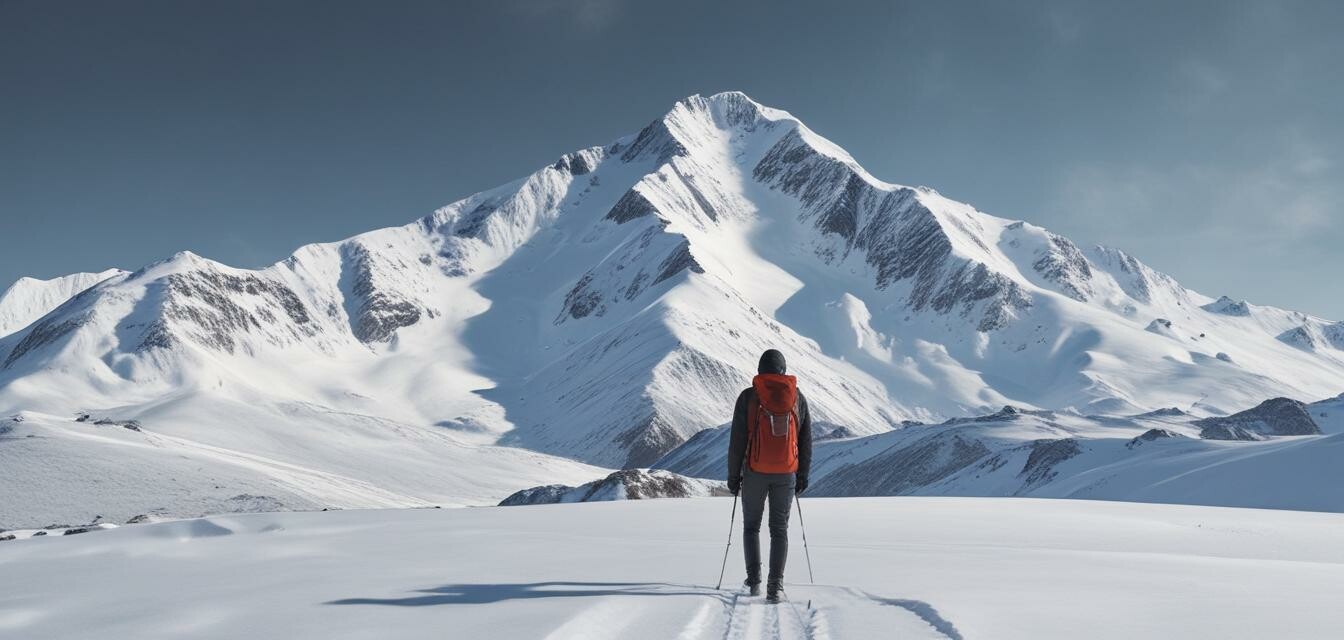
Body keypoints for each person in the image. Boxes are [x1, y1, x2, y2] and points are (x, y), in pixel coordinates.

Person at [726, 348, 813, 603]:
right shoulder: (797, 398)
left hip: (754, 472)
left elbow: (737, 442)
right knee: (779, 530)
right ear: (783, 371)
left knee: (751, 527)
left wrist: (734, 476)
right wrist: (802, 475)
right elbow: (806, 440)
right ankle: (775, 587)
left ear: (760, 370)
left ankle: (754, 582)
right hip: (786, 474)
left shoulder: (748, 397)